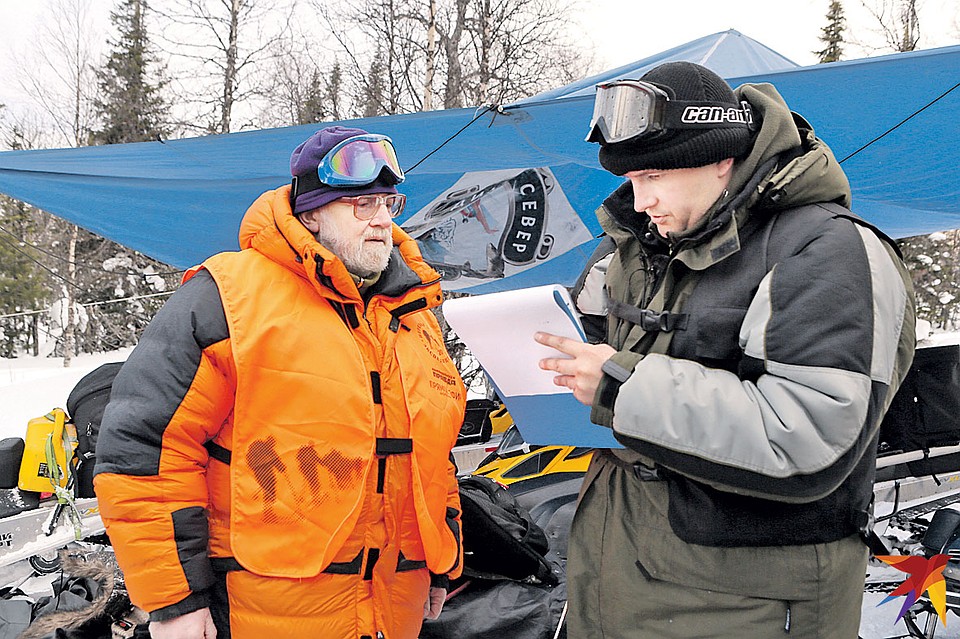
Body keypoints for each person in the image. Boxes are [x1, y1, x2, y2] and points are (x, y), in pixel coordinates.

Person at [536, 62, 916, 638]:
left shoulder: (826, 251)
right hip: (630, 579)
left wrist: (621, 386)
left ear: (721, 157)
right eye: (632, 180)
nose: (641, 202)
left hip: (749, 604)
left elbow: (807, 438)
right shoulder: (644, 247)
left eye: (654, 175)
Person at [94, 125, 466, 639]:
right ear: (312, 212)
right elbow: (147, 451)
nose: (382, 220)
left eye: (389, 203)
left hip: (394, 606)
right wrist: (175, 601)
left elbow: (432, 453)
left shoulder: (413, 311)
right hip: (267, 611)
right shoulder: (228, 297)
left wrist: (442, 557)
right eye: (362, 205)